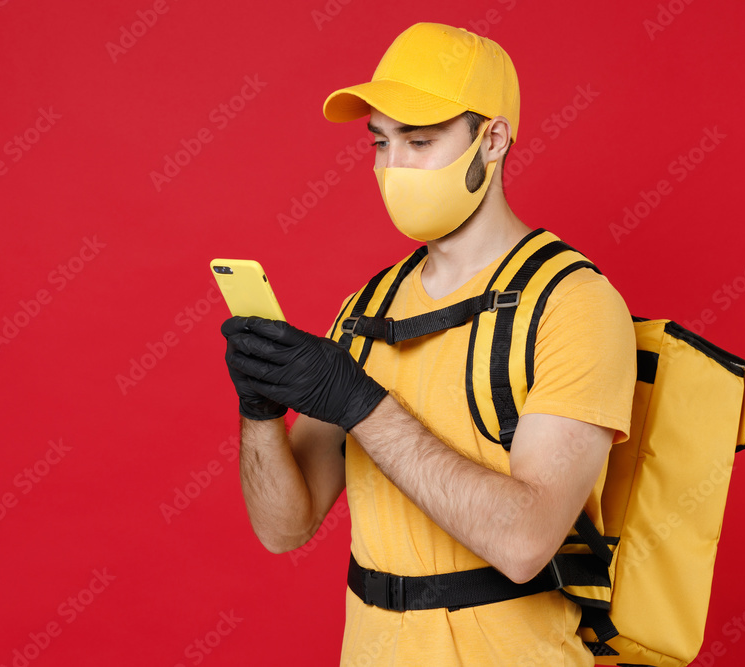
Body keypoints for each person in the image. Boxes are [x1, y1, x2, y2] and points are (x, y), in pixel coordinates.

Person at [220, 23, 636, 666]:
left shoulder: (572, 303)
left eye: (419, 141)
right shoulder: (367, 309)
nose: (393, 167)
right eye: (381, 142)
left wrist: (361, 403)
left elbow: (525, 543)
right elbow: (284, 528)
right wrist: (260, 409)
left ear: (492, 140)